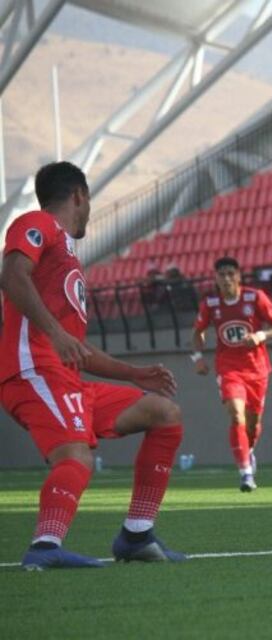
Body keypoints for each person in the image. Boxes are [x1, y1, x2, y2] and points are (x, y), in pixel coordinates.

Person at [0, 162, 185, 569]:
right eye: (88, 201)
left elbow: (76, 348)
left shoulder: (66, 258)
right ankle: (45, 546)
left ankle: (136, 535)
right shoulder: (38, 223)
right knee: (75, 456)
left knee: (163, 412)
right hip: (32, 370)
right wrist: (54, 332)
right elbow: (10, 274)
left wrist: (134, 374)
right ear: (79, 195)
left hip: (64, 378)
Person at [191, 257, 272, 491]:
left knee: (252, 425)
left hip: (257, 369)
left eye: (230, 273)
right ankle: (245, 473)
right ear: (215, 278)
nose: (226, 278)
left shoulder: (254, 297)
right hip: (228, 368)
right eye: (221, 274)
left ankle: (249, 450)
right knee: (236, 414)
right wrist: (198, 357)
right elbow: (198, 331)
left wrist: (260, 336)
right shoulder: (210, 304)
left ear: (239, 276)